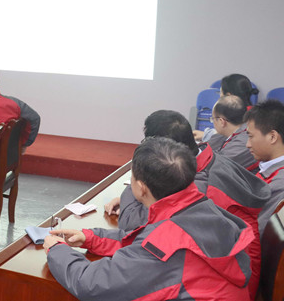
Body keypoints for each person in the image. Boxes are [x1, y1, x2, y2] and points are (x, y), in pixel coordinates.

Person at [45, 137, 253, 301]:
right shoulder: (202, 207)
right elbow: (142, 243)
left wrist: (56, 250)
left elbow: (93, 284)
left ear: (141, 187)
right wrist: (91, 238)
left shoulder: (167, 243)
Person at [105, 110, 268, 299]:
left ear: (164, 151)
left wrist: (141, 179)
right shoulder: (211, 160)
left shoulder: (199, 187)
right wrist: (143, 192)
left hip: (223, 284)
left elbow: (132, 225)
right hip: (236, 270)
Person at [245, 99, 284, 235]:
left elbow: (260, 235)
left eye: (251, 136)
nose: (248, 144)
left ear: (272, 137)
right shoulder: (273, 169)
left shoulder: (283, 184)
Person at [195, 73, 258, 146]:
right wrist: (206, 134)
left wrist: (206, 135)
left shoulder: (241, 118)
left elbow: (225, 136)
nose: (219, 96)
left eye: (220, 92)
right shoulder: (254, 113)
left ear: (228, 96)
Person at [211, 95, 258, 172]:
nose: (213, 122)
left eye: (213, 119)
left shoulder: (243, 142)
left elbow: (215, 168)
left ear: (221, 121)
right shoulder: (226, 134)